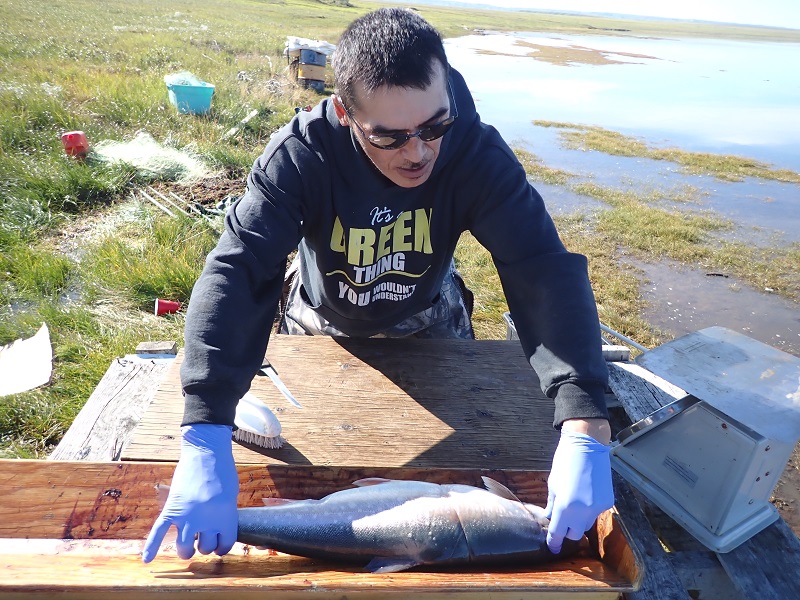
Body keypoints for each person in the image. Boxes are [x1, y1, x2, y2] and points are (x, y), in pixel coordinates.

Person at [142, 7, 613, 564]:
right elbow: (240, 270)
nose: (417, 153)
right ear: (344, 113)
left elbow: (540, 267)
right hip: (320, 316)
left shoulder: (476, 153)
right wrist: (204, 428)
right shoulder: (301, 154)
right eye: (389, 137)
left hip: (430, 314)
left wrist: (585, 420)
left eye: (434, 127)